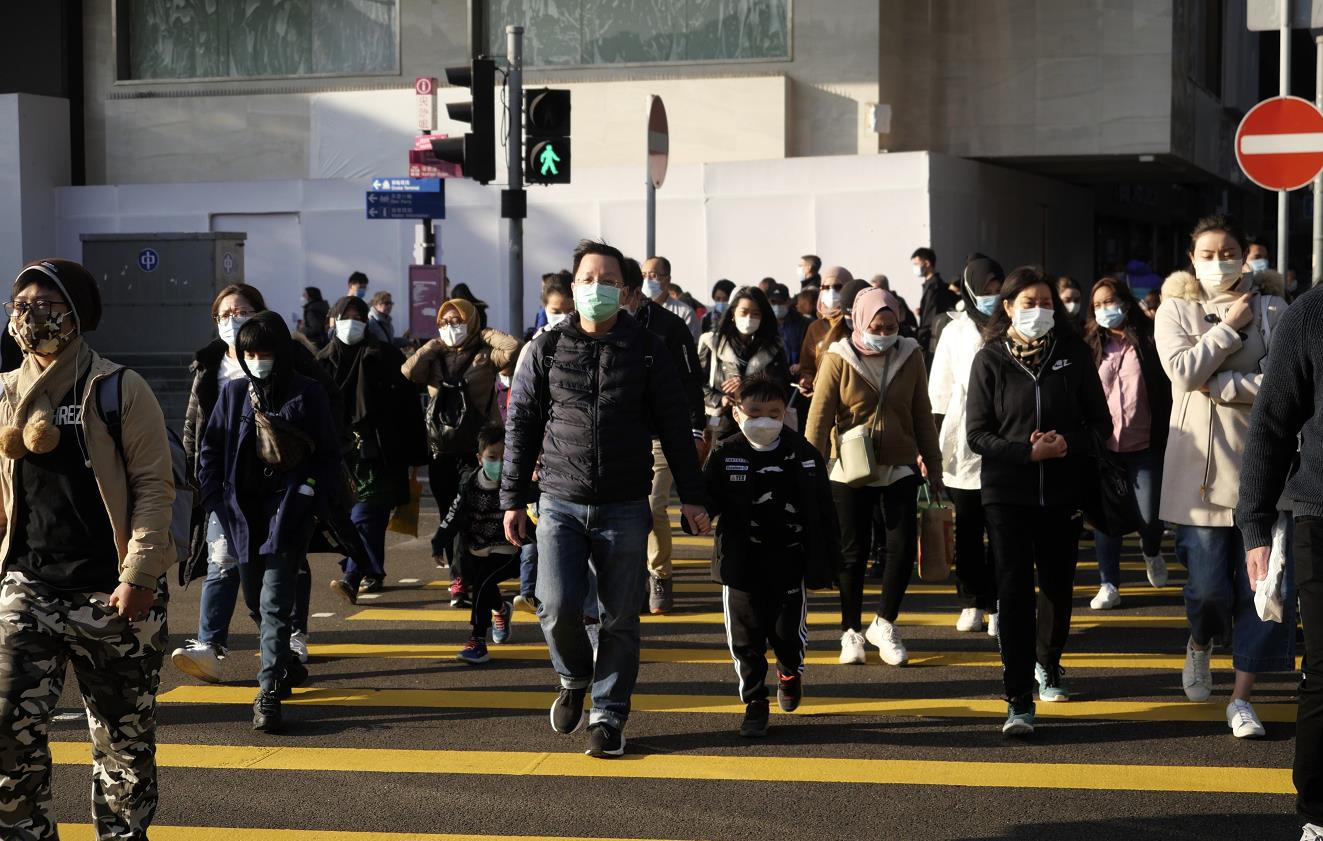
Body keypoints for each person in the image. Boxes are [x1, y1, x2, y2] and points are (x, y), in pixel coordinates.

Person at [501, 239, 710, 758]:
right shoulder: (545, 347)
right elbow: (521, 424)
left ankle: (609, 715)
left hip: (623, 503)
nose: (598, 288)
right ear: (573, 288)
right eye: (588, 279)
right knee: (554, 606)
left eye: (609, 280)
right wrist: (510, 497)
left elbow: (675, 428)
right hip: (559, 500)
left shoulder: (646, 348)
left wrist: (692, 497)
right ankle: (574, 677)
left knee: (620, 616)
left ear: (625, 290)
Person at [0, 259, 174, 839]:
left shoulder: (118, 388)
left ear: (77, 314)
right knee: (8, 736)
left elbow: (153, 484)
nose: (30, 316)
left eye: (45, 304)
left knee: (123, 744)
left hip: (113, 590)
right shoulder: (5, 392)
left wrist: (141, 573)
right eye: (20, 305)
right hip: (30, 585)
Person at [1154, 214, 1294, 739]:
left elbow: (1282, 384)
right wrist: (1227, 328)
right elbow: (1184, 373)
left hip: (1264, 471)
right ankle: (1199, 642)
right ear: (1192, 259)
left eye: (1229, 251)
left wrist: (1226, 386)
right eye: (1208, 254)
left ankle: (1241, 697)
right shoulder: (1175, 308)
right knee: (1208, 589)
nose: (1221, 262)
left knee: (1263, 591)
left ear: (1247, 256)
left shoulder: (1277, 308)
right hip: (1199, 477)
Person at [966, 266, 1111, 735]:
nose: (1039, 311)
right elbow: (977, 435)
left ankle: (1048, 663)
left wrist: (1065, 444)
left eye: (1046, 303)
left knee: (1056, 585)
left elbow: (1100, 424)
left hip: (1064, 491)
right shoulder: (989, 359)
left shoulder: (1073, 354)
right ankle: (1017, 699)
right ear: (1006, 307)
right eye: (1028, 303)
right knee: (1011, 592)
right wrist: (1028, 452)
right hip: (1007, 494)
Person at [173, 283, 342, 683]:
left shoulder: (294, 360)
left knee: (286, 565)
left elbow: (328, 411)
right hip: (231, 488)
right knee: (222, 559)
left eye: (241, 311)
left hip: (285, 487)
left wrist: (312, 485)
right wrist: (200, 481)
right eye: (225, 315)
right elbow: (197, 426)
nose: (233, 320)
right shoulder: (210, 366)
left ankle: (287, 642)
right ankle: (210, 645)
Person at [806, 287, 943, 667]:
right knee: (853, 552)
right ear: (860, 321)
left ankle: (884, 622)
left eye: (891, 325)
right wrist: (809, 471)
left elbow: (921, 412)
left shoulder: (910, 354)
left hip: (899, 465)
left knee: (900, 550)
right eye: (877, 325)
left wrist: (934, 465)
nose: (884, 332)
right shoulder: (838, 357)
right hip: (849, 465)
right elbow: (818, 419)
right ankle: (850, 631)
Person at [1234, 282, 1323, 839]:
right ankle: (1317, 812)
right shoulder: (1310, 315)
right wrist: (1256, 527)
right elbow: (1270, 425)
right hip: (1321, 511)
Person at [704, 375, 839, 737]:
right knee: (745, 640)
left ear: (785, 414)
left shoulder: (803, 453)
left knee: (787, 636)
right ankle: (754, 702)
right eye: (755, 412)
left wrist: (830, 561)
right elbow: (706, 501)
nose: (764, 420)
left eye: (773, 413)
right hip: (741, 563)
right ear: (737, 412)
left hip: (789, 560)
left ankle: (790, 673)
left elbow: (824, 511)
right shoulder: (725, 452)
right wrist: (698, 514)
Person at [402, 297, 518, 606]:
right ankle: (463, 576)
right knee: (449, 515)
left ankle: (462, 579)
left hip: (476, 450)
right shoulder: (436, 357)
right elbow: (408, 371)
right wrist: (431, 345)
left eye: (458, 321)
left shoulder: (484, 353)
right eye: (445, 322)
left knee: (469, 513)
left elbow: (512, 349)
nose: (451, 327)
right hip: (442, 450)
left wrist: (483, 333)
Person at [321, 295, 427, 602]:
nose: (351, 323)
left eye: (358, 316)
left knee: (367, 515)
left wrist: (415, 456)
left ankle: (351, 577)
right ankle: (373, 569)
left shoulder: (386, 357)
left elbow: (408, 411)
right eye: (345, 316)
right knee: (356, 519)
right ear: (334, 320)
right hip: (338, 455)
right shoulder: (321, 362)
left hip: (379, 453)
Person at [620, 256, 707, 614]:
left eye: (617, 289)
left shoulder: (669, 326)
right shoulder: (593, 327)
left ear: (634, 291)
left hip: (659, 434)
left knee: (653, 507)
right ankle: (629, 578)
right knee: (623, 510)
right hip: (616, 435)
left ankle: (659, 575)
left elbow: (690, 383)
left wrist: (696, 428)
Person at [1082, 277, 1172, 610]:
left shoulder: (1147, 339)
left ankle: (1151, 550)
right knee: (1106, 520)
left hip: (1145, 443)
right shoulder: (1091, 343)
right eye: (1098, 305)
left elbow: (1164, 387)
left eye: (1110, 301)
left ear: (1125, 301)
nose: (1106, 309)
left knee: (1148, 515)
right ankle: (1108, 583)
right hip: (1105, 448)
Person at [928, 255, 1003, 634]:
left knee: (1003, 530)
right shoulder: (954, 331)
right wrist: (932, 448)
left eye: (998, 286)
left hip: (1007, 437)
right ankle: (972, 601)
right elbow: (939, 392)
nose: (993, 294)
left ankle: (1000, 603)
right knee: (969, 531)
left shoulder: (1011, 324)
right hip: (963, 442)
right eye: (987, 287)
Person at [434, 422, 529, 664]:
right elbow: (454, 514)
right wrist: (438, 541)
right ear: (479, 458)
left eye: (504, 457)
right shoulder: (470, 483)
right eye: (492, 457)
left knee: (483, 583)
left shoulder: (519, 483)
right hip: (476, 547)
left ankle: (477, 640)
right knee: (483, 586)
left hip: (509, 548)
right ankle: (501, 609)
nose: (498, 463)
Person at [699, 287, 791, 438]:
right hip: (722, 424)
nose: (749, 318)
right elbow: (697, 383)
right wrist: (718, 400)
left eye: (755, 314)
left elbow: (782, 384)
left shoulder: (773, 347)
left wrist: (746, 383)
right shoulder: (711, 342)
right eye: (744, 312)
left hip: (761, 424)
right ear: (733, 314)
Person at [797, 266, 851, 395]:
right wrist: (807, 380)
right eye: (826, 288)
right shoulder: (815, 327)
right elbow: (807, 366)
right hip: (823, 395)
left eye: (838, 287)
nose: (831, 292)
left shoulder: (856, 323)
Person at [913, 247, 958, 367]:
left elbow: (930, 320)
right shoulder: (931, 285)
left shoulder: (934, 287)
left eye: (916, 264)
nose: (915, 268)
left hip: (932, 342)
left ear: (926, 263)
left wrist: (918, 339)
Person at [642, 256, 700, 342]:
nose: (647, 280)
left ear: (667, 279)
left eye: (653, 275)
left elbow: (690, 349)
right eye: (643, 275)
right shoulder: (635, 309)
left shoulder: (684, 313)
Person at [769, 282, 811, 371]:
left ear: (788, 301)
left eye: (780, 302)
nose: (776, 306)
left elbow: (810, 351)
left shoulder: (803, 323)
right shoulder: (764, 323)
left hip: (795, 375)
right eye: (773, 302)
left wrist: (802, 365)